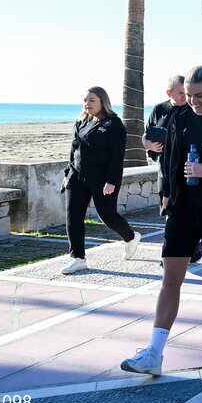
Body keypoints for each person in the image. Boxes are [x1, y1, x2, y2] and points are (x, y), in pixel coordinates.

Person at [121, 66, 202, 376]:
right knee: (171, 276)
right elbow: (170, 161)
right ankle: (154, 351)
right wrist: (167, 194)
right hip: (182, 209)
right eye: (189, 95)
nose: (193, 101)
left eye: (199, 95)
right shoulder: (178, 118)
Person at [61, 86, 141, 274]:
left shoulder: (113, 123)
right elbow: (74, 151)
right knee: (73, 216)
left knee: (108, 216)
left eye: (92, 100)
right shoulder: (81, 121)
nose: (87, 104)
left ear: (102, 102)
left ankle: (130, 237)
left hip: (102, 178)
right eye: (85, 100)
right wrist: (67, 175)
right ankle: (78, 258)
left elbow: (117, 155)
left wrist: (112, 180)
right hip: (77, 176)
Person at [144, 74, 202, 265]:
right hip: (165, 168)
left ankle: (193, 245)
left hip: (188, 167)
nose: (185, 97)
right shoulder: (159, 109)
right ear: (169, 92)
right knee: (168, 209)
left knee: (188, 210)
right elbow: (146, 135)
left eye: (186, 92)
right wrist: (148, 145)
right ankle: (170, 253)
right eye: (180, 93)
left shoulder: (193, 109)